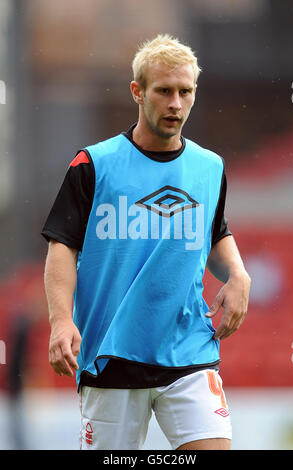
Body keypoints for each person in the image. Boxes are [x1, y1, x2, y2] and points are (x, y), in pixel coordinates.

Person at [42, 34, 251, 451]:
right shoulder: (93, 164)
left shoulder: (210, 168)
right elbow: (62, 245)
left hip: (187, 350)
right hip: (112, 353)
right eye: (164, 91)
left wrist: (238, 274)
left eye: (185, 91)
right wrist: (61, 320)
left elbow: (214, 232)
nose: (176, 103)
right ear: (138, 92)